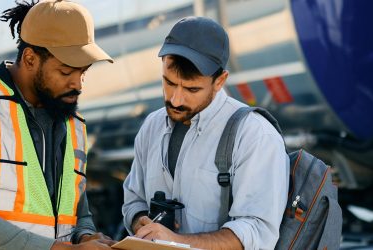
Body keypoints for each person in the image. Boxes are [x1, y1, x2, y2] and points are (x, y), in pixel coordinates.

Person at [0, 1, 115, 249]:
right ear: (30, 59)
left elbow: (78, 215)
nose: (78, 84)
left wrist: (85, 236)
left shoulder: (73, 124)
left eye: (83, 72)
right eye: (66, 71)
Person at [122, 16, 290, 250]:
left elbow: (257, 232)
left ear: (220, 81)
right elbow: (133, 200)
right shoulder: (152, 126)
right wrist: (141, 221)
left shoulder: (254, 135)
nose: (175, 99)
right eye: (169, 83)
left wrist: (176, 242)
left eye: (192, 89)